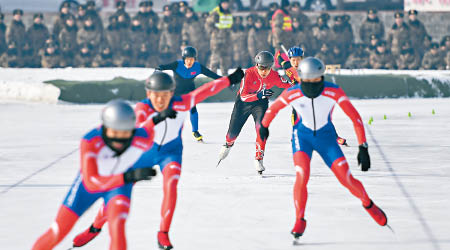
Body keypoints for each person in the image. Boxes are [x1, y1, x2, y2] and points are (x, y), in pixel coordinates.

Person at [71, 69, 245, 250]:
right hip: (143, 153)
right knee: (118, 190)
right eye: (156, 95)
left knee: (171, 186)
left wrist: (230, 79)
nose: (160, 100)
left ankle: (163, 233)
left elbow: (207, 90)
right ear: (148, 94)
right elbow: (138, 125)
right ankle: (95, 227)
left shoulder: (182, 103)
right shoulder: (143, 108)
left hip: (170, 153)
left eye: (165, 95)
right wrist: (155, 118)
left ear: (172, 93)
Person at [259, 57, 388, 240]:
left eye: (316, 80)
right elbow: (273, 110)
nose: (312, 84)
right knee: (301, 175)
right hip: (302, 138)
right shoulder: (293, 92)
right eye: (308, 81)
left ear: (321, 77)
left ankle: (368, 204)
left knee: (346, 178)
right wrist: (264, 126)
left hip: (326, 138)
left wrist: (363, 146)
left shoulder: (332, 91)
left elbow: (355, 118)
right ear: (301, 78)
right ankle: (299, 219)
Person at [32, 99, 159, 250]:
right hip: (87, 187)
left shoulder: (143, 138)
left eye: (125, 133)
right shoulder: (91, 141)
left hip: (118, 187)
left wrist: (159, 117)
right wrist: (128, 177)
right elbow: (91, 182)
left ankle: (94, 229)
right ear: (105, 128)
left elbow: (148, 126)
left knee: (117, 230)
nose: (119, 138)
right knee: (58, 232)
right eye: (114, 132)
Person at [218, 51, 293, 174]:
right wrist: (259, 94)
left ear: (271, 68)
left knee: (261, 129)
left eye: (267, 68)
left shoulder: (274, 76)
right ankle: (228, 144)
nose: (264, 71)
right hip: (243, 104)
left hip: (260, 104)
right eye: (261, 68)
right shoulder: (248, 74)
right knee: (232, 134)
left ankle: (259, 158)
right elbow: (243, 96)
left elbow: (289, 85)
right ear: (257, 65)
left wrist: (300, 84)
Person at [157, 46, 222, 142]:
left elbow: (212, 75)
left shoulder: (198, 67)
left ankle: (195, 131)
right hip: (176, 91)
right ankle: (162, 129)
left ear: (194, 59)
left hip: (190, 91)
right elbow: (164, 67)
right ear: (183, 59)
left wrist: (227, 80)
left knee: (193, 109)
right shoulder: (177, 64)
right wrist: (158, 69)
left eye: (191, 59)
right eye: (187, 59)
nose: (189, 62)